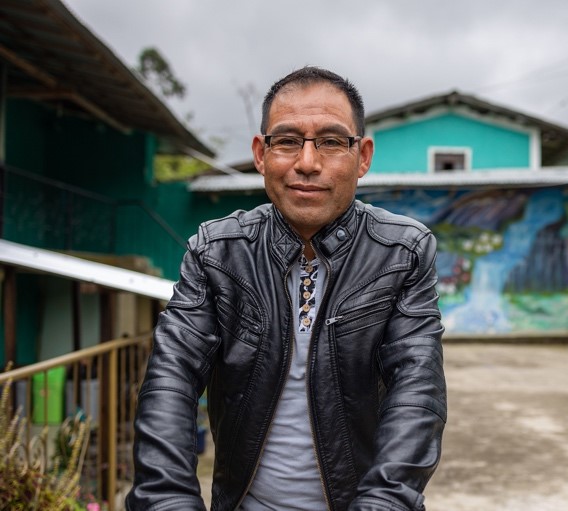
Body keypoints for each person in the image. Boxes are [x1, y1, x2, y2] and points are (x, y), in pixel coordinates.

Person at [126, 66, 447, 511]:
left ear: (363, 155)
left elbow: (417, 390)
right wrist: (167, 501)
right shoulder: (216, 251)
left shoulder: (403, 252)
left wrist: (385, 503)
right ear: (261, 153)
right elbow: (171, 379)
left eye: (332, 142)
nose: (308, 163)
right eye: (287, 141)